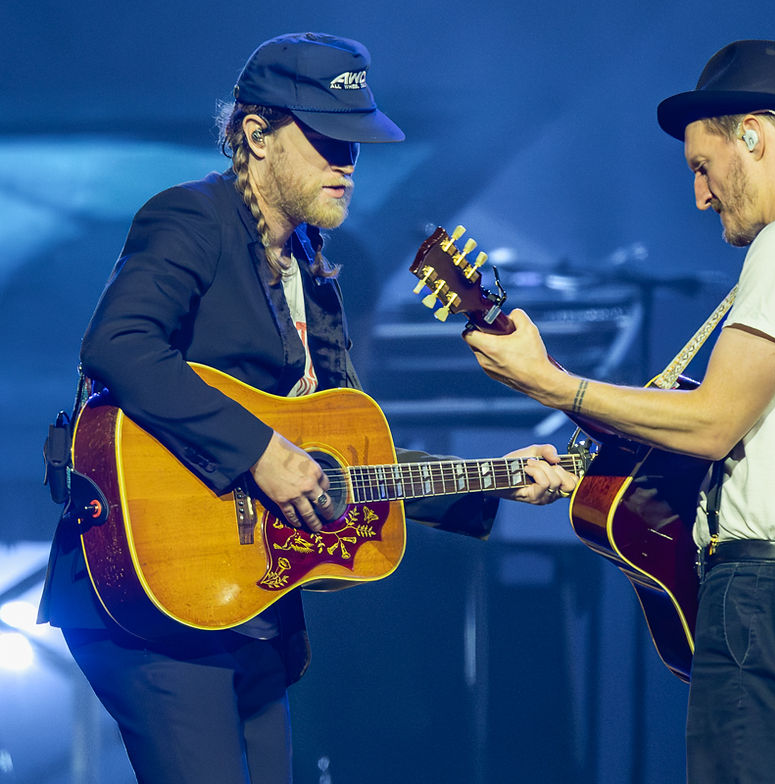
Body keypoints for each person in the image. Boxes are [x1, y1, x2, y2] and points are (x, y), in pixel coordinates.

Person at [36, 33, 577, 784]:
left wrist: (497, 478)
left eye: (355, 143)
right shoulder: (193, 219)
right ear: (254, 135)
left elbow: (343, 464)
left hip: (251, 607)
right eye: (325, 139)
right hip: (150, 594)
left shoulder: (317, 275)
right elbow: (119, 345)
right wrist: (259, 451)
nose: (346, 162)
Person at [463, 40, 775, 783]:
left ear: (754, 133)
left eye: (701, 167)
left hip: (770, 603)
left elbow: (714, 423)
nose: (701, 196)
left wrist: (551, 384)